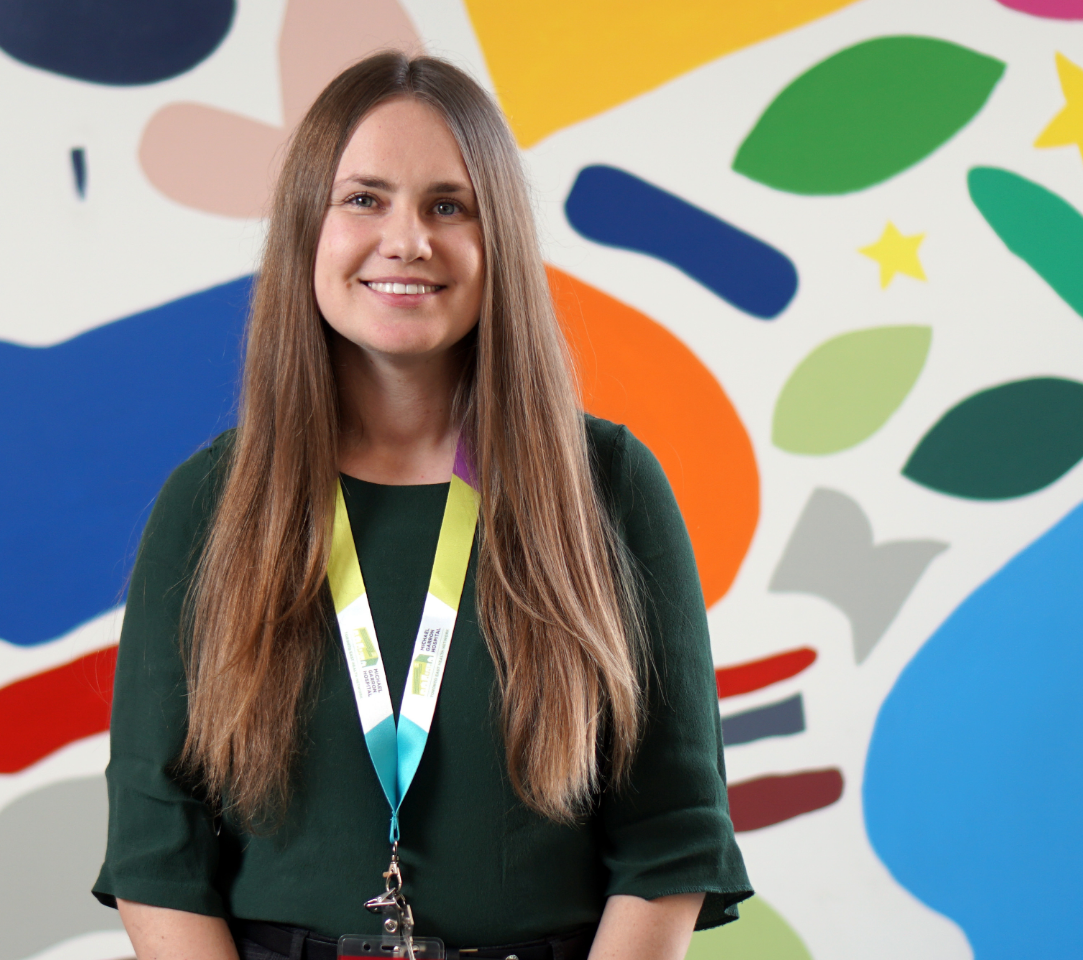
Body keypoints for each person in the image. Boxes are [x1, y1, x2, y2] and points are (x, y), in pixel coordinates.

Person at [94, 51, 750, 960]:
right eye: (364, 199)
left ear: (499, 240)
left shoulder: (608, 486)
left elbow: (672, 835)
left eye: (449, 206)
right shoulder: (210, 503)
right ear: (307, 230)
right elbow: (155, 850)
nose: (407, 241)